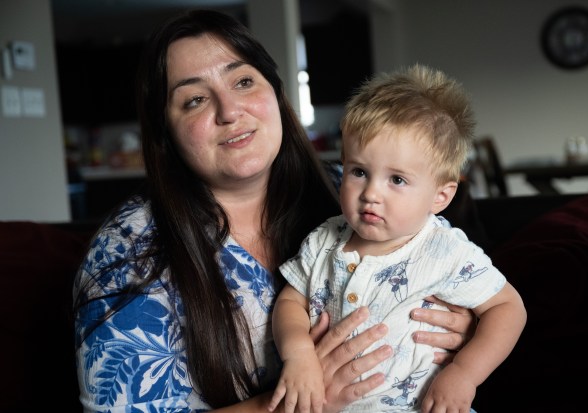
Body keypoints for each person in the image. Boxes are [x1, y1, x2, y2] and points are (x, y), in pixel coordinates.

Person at [72, 10, 475, 413]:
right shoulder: (128, 251)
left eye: (243, 81)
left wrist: (464, 330)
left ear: (276, 92)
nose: (229, 111)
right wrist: (293, 405)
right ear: (165, 132)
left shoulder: (352, 189)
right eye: (194, 100)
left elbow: (460, 277)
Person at [269, 65, 527, 413]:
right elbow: (289, 303)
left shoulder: (446, 251)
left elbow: (508, 309)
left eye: (397, 180)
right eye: (358, 172)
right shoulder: (324, 240)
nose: (371, 193)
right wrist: (299, 355)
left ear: (440, 196)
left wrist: (465, 373)